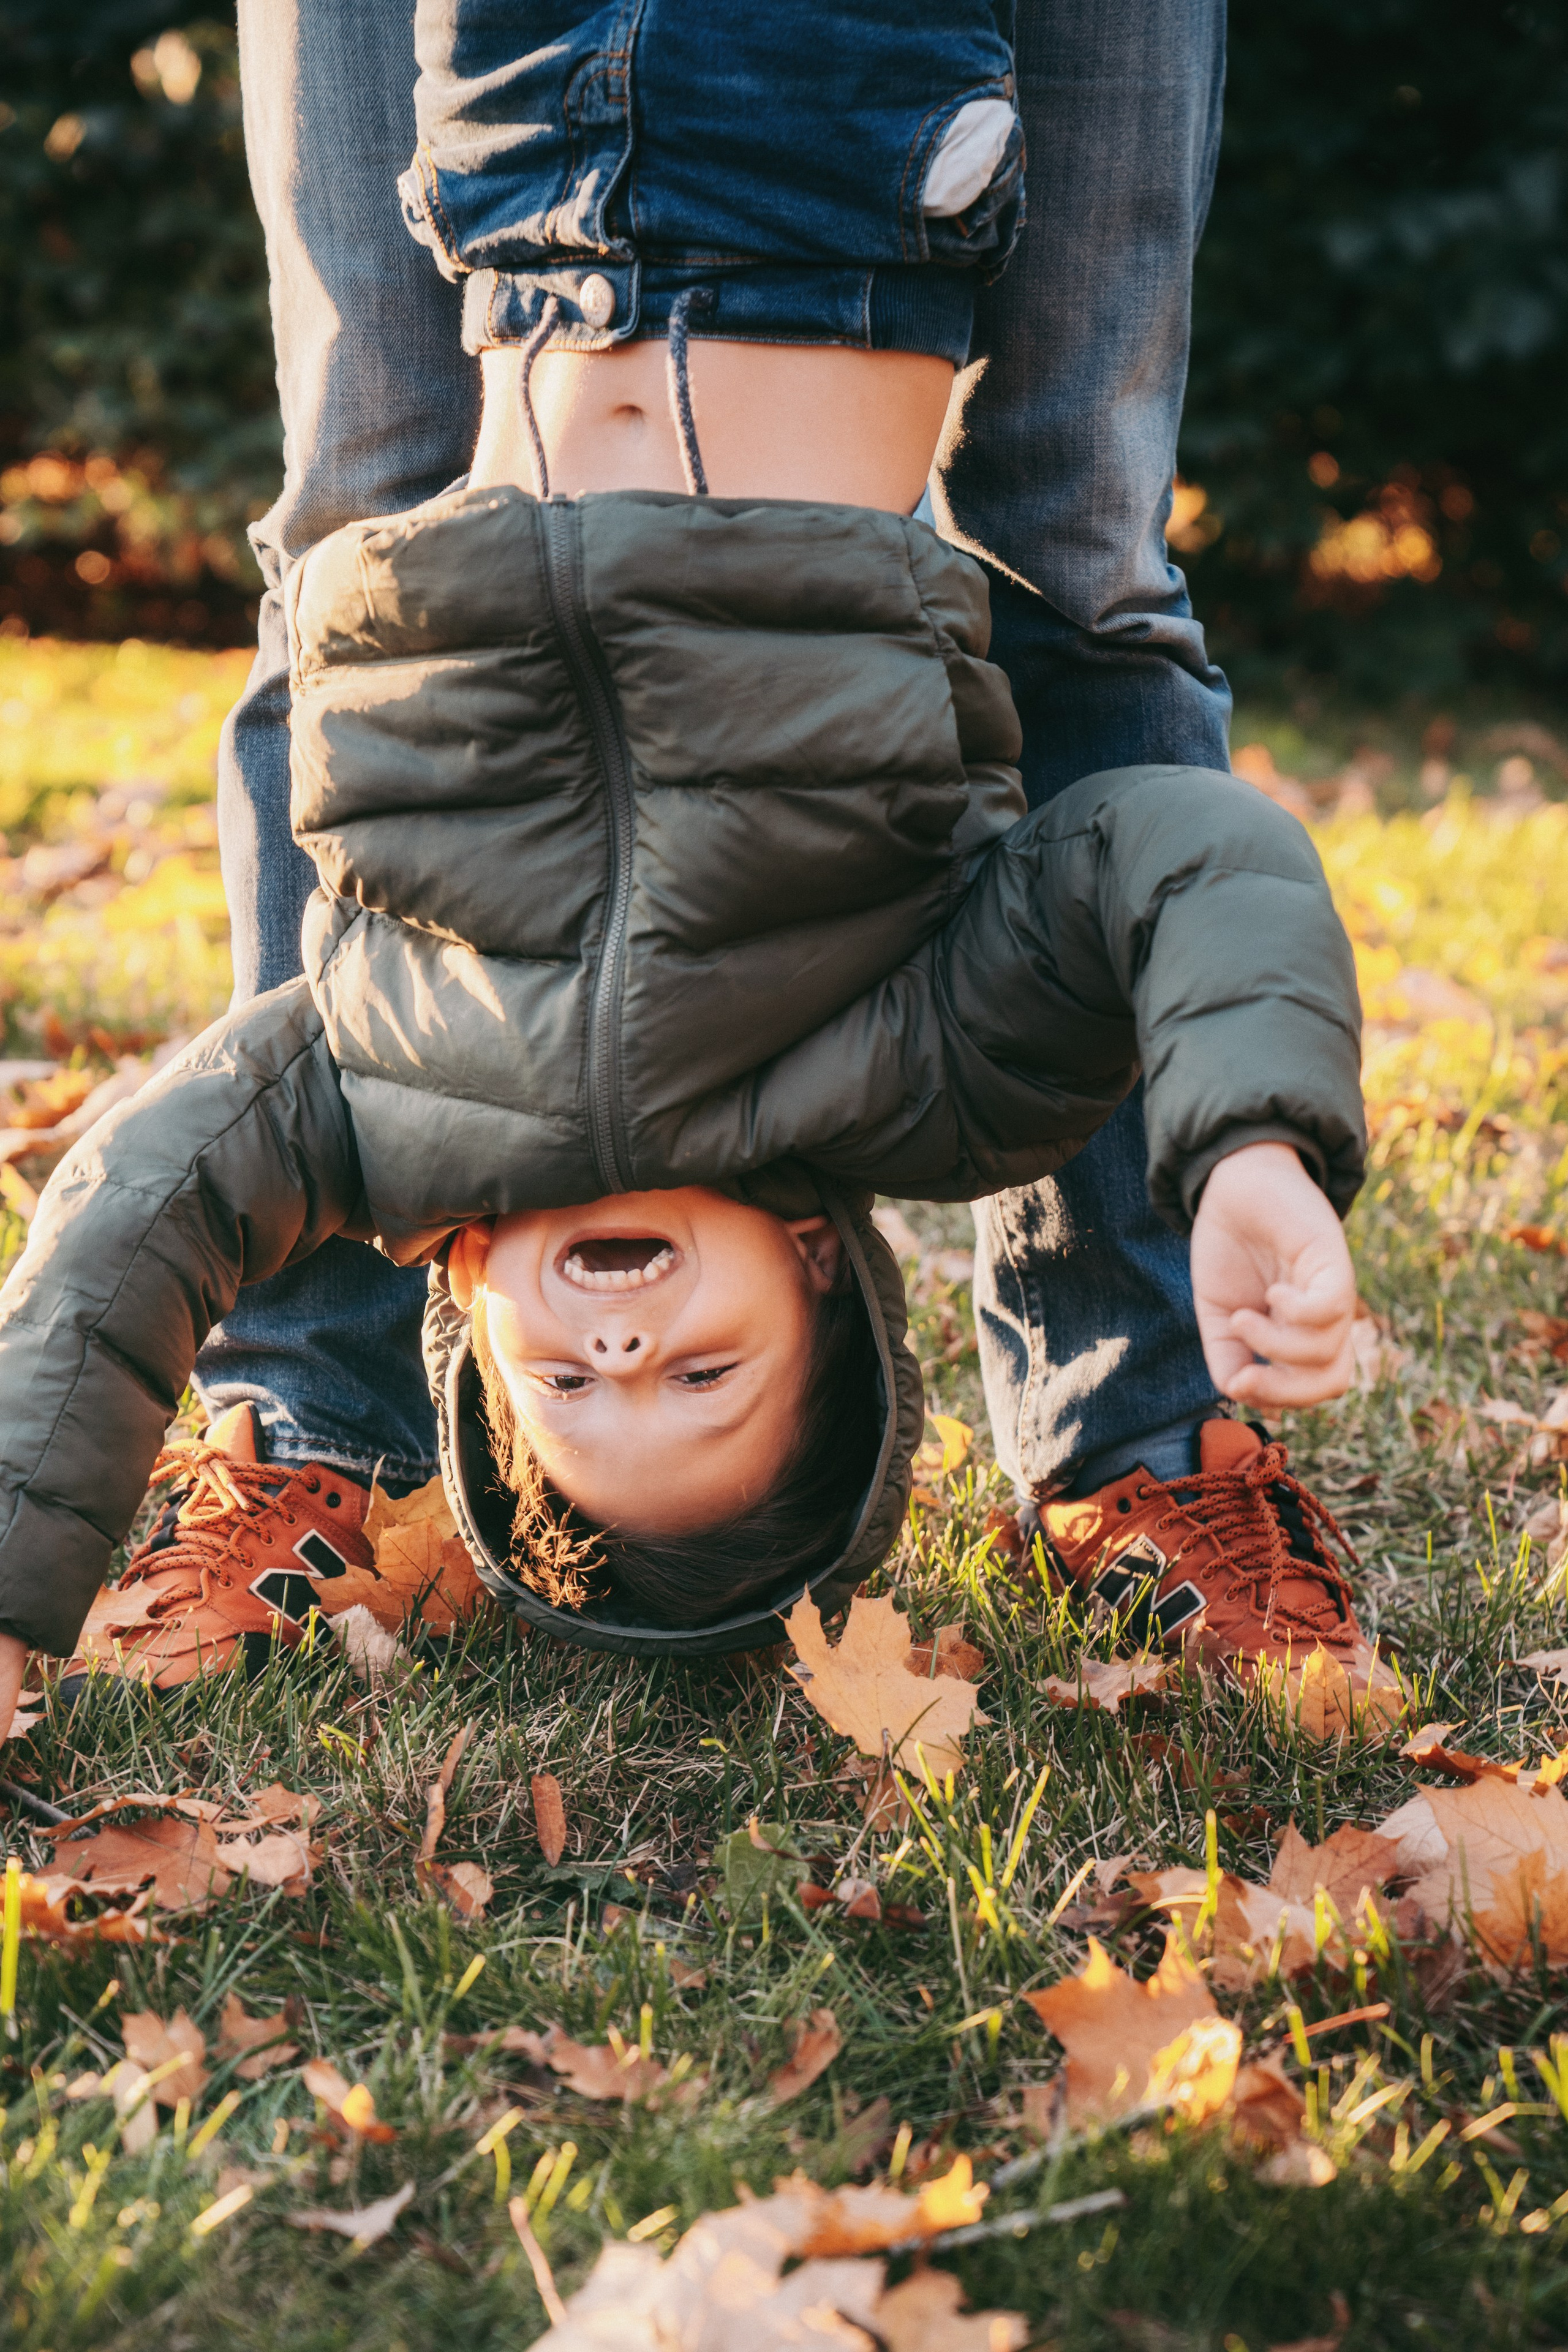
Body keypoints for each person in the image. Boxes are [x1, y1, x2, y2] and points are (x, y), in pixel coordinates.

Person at [0, 1, 1390, 1725]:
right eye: (705, 1378)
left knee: (337, 500)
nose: (627, 1353)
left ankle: (296, 1437)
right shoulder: (914, 1069)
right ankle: (1148, 1428)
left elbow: (139, 1210)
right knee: (1093, 568)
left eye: (572, 1391)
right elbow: (1179, 862)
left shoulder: (394, 1098)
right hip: (837, 177)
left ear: (472, 1297)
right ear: (817, 1275)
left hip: (522, 171)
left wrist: (13, 1593)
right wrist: (1247, 1144)